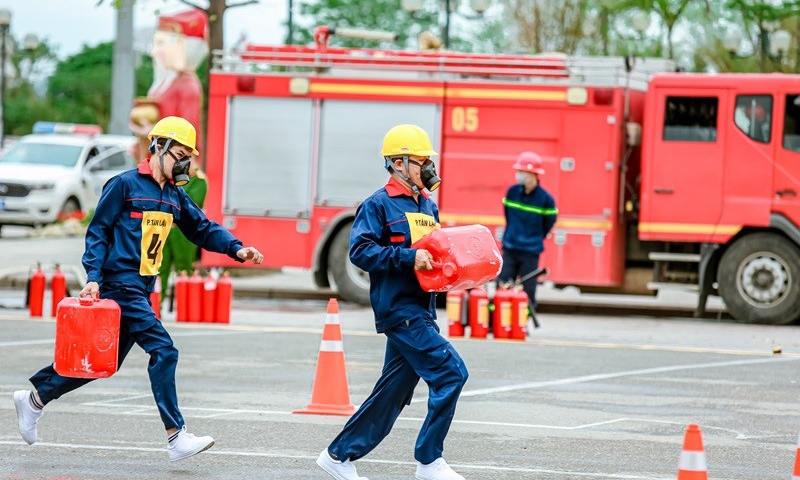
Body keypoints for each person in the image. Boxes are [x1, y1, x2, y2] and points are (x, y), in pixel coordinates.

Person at [12, 116, 264, 462]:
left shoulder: (174, 196)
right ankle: (176, 436)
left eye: (187, 156)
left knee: (106, 363)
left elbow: (202, 229)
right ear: (157, 148)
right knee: (165, 351)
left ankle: (34, 398)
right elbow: (97, 233)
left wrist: (237, 248)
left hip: (142, 289)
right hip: (120, 285)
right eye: (178, 154)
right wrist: (92, 277)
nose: (183, 163)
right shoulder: (124, 185)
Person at [316, 124, 468, 480]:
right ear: (398, 163)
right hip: (399, 310)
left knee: (393, 393)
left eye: (428, 162)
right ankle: (429, 462)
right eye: (420, 162)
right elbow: (361, 251)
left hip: (422, 309)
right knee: (452, 373)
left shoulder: (427, 205)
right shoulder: (378, 205)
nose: (428, 169)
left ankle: (337, 456)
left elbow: (435, 254)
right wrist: (406, 258)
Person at [129, 9, 207, 162]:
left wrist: (152, 132)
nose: (154, 52)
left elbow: (187, 138)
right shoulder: (165, 83)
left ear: (181, 45)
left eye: (160, 43)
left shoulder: (188, 87)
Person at [497, 151, 557, 327]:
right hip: (510, 247)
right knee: (503, 285)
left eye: (523, 171)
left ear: (534, 175)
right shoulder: (512, 192)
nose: (520, 175)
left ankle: (521, 323)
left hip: (530, 251)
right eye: (519, 171)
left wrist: (536, 237)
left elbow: (549, 222)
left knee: (528, 290)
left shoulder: (546, 199)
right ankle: (499, 322)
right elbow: (507, 215)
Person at [158, 155, 208, 301]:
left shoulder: (199, 180)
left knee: (184, 269)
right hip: (166, 230)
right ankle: (156, 305)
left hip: (184, 232)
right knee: (160, 269)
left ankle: (186, 307)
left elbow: (189, 205)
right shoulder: (172, 177)